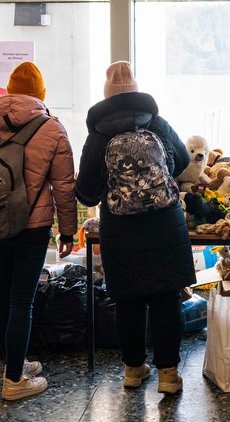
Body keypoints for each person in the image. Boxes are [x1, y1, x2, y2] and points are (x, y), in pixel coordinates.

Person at [75, 61, 195, 394]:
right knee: (165, 297)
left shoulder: (99, 134)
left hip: (120, 228)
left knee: (128, 298)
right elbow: (183, 162)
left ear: (107, 94)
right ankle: (168, 376)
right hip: (165, 223)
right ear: (136, 90)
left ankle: (132, 369)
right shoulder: (157, 123)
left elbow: (84, 189)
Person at [0, 61, 77, 400]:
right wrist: (68, 232)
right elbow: (64, 187)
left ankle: (10, 363)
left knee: (4, 294)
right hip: (32, 226)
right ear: (41, 95)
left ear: (10, 90)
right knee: (21, 300)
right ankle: (14, 380)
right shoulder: (52, 129)